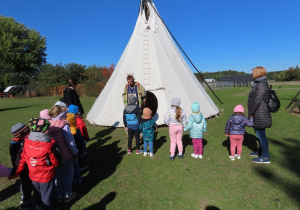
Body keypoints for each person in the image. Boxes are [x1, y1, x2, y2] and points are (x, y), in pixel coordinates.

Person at [9, 118, 60, 210]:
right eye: (48, 128)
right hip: (46, 176)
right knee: (47, 198)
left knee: (37, 195)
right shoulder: (50, 144)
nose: (50, 129)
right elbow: (56, 162)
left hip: (33, 175)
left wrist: (16, 173)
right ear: (44, 130)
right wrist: (56, 165)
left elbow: (21, 160)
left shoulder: (26, 142)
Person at [48, 105, 78, 202]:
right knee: (67, 175)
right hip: (65, 155)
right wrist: (75, 152)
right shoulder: (64, 126)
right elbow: (70, 141)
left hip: (53, 155)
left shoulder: (47, 125)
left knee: (57, 176)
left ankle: (59, 195)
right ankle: (67, 194)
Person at [248, 66, 272, 163]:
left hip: (260, 113)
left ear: (258, 73)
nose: (252, 74)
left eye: (253, 72)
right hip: (259, 112)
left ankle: (265, 157)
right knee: (259, 134)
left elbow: (257, 100)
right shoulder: (259, 83)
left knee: (261, 135)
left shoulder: (261, 84)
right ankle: (261, 152)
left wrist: (251, 113)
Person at [9, 123, 33, 209]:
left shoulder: (13, 143)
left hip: (18, 168)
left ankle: (24, 197)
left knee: (23, 182)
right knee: (27, 184)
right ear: (24, 133)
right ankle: (26, 203)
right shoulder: (23, 144)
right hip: (25, 168)